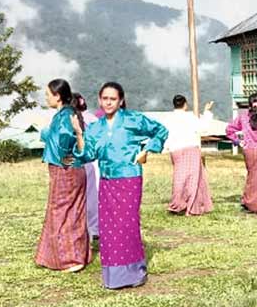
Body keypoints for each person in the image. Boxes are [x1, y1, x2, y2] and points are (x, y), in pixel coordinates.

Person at [72, 82, 168, 289]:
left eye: (112, 99)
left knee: (128, 225)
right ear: (99, 100)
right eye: (104, 98)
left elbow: (160, 131)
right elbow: (87, 155)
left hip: (129, 179)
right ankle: (114, 277)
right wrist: (80, 135)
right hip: (106, 181)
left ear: (121, 101)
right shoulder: (95, 127)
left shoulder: (133, 119)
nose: (108, 102)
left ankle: (134, 273)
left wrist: (147, 150)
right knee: (109, 229)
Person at [35, 79, 92, 273]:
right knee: (67, 211)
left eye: (48, 94)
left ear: (57, 96)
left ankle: (71, 259)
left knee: (64, 212)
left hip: (65, 168)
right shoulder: (62, 115)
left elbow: (66, 140)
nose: (46, 98)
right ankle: (67, 256)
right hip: (64, 168)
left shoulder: (66, 116)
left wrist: (65, 163)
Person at [165, 95, 215, 216]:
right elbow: (203, 128)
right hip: (190, 148)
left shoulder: (169, 118)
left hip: (175, 150)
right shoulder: (189, 117)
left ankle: (178, 203)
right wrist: (207, 112)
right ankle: (192, 205)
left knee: (179, 178)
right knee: (193, 178)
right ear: (185, 104)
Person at [73, 93, 100, 240]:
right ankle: (94, 228)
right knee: (92, 194)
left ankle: (85, 227)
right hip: (92, 160)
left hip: (77, 160)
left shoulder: (71, 119)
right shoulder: (91, 119)